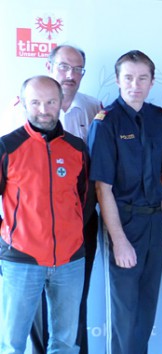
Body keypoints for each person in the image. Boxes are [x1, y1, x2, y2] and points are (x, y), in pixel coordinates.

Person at [13, 44, 102, 354]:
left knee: (73, 310)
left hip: (76, 230)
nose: (71, 75)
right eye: (64, 67)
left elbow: (89, 180)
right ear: (49, 66)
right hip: (27, 234)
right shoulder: (17, 115)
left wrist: (79, 223)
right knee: (28, 317)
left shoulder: (94, 108)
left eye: (78, 70)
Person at [87, 50, 162, 354]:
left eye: (142, 78)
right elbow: (102, 188)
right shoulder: (106, 122)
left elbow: (159, 176)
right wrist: (119, 241)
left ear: (151, 81)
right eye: (129, 78)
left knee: (147, 307)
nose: (135, 84)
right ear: (118, 81)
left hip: (154, 223)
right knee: (124, 314)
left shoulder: (158, 118)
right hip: (124, 222)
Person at [0, 75, 88, 353]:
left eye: (50, 101)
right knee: (12, 344)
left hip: (70, 261)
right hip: (21, 259)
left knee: (64, 343)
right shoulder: (7, 147)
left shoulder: (77, 149)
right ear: (24, 103)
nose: (43, 109)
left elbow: (84, 199)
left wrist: (72, 234)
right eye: (35, 102)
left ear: (61, 102)